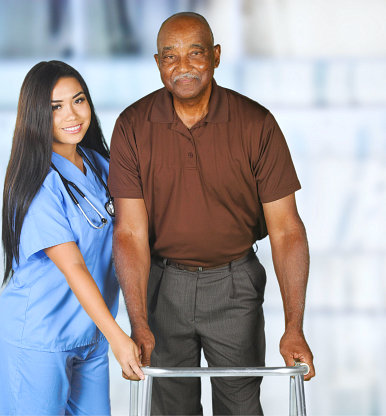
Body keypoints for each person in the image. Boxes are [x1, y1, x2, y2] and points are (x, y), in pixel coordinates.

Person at [108, 12, 315, 415]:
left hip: (234, 285)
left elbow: (287, 231)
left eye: (195, 53)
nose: (182, 66)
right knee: (170, 407)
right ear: (157, 63)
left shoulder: (257, 124)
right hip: (163, 286)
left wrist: (294, 327)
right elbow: (130, 234)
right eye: (170, 56)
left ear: (216, 56)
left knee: (240, 405)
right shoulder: (132, 126)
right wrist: (139, 322)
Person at [0, 60, 144, 416]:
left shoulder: (101, 166)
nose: (72, 115)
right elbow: (75, 267)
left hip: (90, 336)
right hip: (38, 339)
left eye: (78, 101)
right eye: (55, 107)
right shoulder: (37, 183)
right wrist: (118, 337)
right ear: (36, 115)